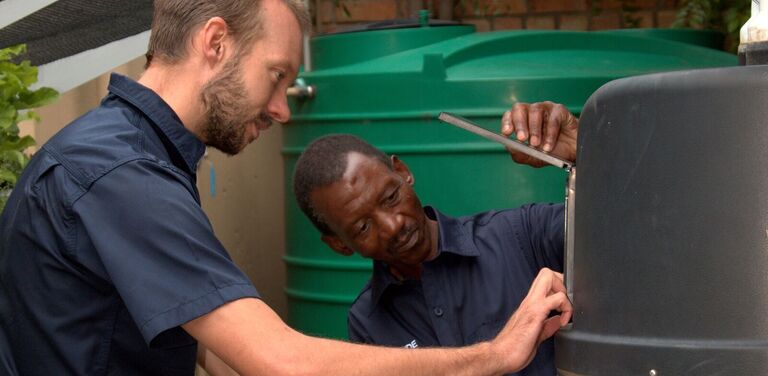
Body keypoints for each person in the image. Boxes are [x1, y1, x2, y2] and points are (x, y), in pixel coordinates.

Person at [0, 0, 572, 375]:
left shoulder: (131, 158)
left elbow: (209, 349)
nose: (281, 110)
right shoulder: (120, 172)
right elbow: (277, 360)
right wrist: (494, 356)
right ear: (215, 42)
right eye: (276, 76)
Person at [291, 103, 577, 375]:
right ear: (339, 244)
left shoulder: (523, 233)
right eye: (363, 227)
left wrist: (584, 152)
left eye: (390, 198)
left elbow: (617, 237)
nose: (392, 226)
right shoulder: (368, 322)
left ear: (403, 172)